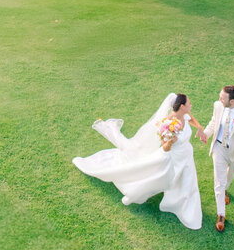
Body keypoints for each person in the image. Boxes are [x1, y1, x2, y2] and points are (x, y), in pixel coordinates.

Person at [73, 92, 204, 230]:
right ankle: (136, 192)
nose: (191, 105)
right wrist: (170, 141)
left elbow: (189, 118)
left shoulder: (184, 114)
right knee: (156, 178)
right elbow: (165, 146)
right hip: (174, 158)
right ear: (182, 106)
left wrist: (199, 127)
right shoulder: (170, 123)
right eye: (189, 103)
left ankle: (179, 202)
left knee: (187, 181)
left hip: (186, 157)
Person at [198, 85, 234, 232]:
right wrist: (206, 133)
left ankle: (225, 191)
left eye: (222, 97)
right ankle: (221, 215)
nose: (219, 99)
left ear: (232, 101)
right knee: (219, 181)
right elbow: (214, 122)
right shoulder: (218, 106)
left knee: (229, 176)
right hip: (219, 148)